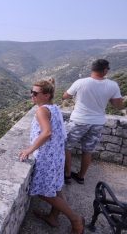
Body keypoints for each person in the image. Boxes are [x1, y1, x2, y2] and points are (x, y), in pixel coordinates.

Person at [20, 79, 84, 233]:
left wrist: (29, 150)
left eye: (35, 93)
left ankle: (76, 219)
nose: (32, 95)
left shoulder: (41, 110)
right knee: (55, 188)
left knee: (43, 192)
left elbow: (47, 132)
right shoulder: (53, 108)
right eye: (31, 92)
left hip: (47, 156)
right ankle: (53, 217)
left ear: (47, 95)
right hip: (56, 155)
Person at [63, 59, 124, 184]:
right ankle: (81, 177)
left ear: (92, 68)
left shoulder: (81, 82)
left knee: (66, 146)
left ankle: (67, 175)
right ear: (105, 70)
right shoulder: (113, 85)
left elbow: (65, 96)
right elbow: (118, 105)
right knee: (88, 151)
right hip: (97, 123)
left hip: (78, 120)